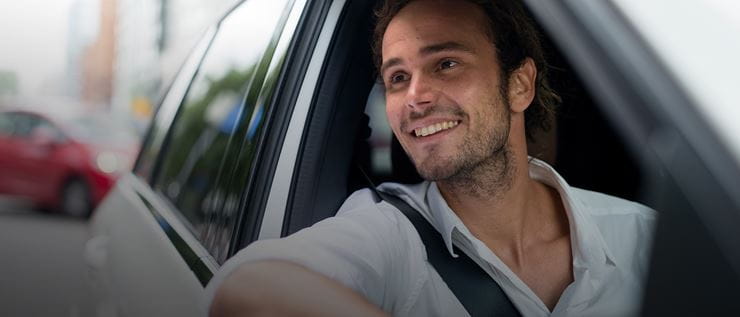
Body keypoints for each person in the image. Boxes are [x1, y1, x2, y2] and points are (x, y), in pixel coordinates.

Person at [206, 0, 656, 316]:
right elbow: (245, 287)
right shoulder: (388, 234)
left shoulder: (644, 237)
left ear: (519, 85)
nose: (414, 97)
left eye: (445, 63)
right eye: (397, 77)